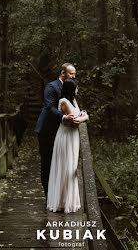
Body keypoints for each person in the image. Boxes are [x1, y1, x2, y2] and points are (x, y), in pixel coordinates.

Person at [47, 78, 89, 213]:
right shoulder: (64, 102)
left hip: (73, 137)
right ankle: (61, 202)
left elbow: (76, 115)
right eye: (76, 87)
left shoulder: (73, 100)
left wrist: (81, 113)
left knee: (72, 166)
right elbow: (74, 122)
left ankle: (68, 200)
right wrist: (86, 117)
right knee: (66, 167)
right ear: (71, 89)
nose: (78, 89)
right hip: (66, 138)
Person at [35, 63, 77, 197]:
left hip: (61, 132)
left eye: (75, 74)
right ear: (62, 73)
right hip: (47, 130)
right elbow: (49, 106)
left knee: (60, 163)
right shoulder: (52, 86)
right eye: (71, 74)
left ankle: (58, 195)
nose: (74, 76)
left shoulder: (70, 88)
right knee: (47, 163)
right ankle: (48, 196)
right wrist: (63, 117)